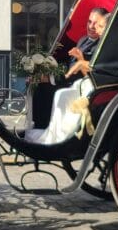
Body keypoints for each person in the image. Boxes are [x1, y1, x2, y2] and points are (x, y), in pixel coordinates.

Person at [26, 11, 108, 144]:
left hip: (84, 84)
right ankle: (42, 127)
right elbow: (70, 64)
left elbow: (88, 71)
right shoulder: (82, 40)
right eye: (89, 22)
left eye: (97, 24)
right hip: (70, 79)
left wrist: (51, 78)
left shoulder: (102, 45)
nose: (92, 27)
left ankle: (54, 134)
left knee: (54, 91)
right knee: (39, 86)